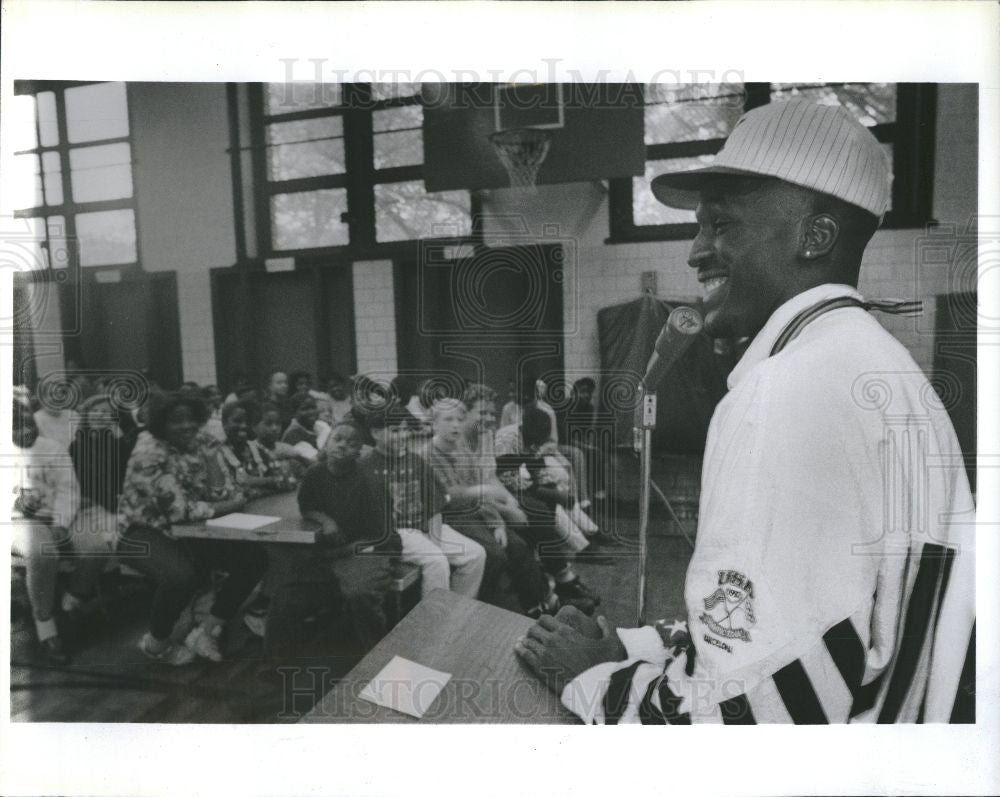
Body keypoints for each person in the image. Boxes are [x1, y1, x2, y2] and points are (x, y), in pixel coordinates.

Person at [515, 99, 975, 724]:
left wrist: (592, 676)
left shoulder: (784, 393)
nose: (694, 251)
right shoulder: (875, 365)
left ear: (815, 237)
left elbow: (747, 716)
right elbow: (827, 625)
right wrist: (636, 646)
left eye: (722, 225)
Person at [117, 392, 268, 666]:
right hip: (141, 531)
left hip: (190, 530)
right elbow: (180, 511)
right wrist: (232, 505)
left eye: (191, 420)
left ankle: (206, 631)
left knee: (254, 557)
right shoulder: (148, 453)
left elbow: (225, 484)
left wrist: (222, 483)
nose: (186, 426)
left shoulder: (200, 441)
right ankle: (156, 644)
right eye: (177, 421)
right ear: (161, 424)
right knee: (180, 577)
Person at [264, 420, 398, 658]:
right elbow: (307, 507)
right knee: (285, 592)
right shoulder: (315, 474)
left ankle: (381, 660)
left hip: (368, 547)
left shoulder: (370, 481)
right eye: (337, 439)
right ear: (326, 443)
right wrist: (326, 520)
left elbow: (384, 535)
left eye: (351, 442)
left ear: (359, 451)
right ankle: (273, 666)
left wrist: (343, 552)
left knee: (359, 594)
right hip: (332, 551)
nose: (343, 445)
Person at [424, 398, 564, 617]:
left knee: (517, 543)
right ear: (434, 423)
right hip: (447, 519)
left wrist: (496, 522)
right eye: (448, 419)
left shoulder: (463, 451)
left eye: (459, 420)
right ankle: (483, 606)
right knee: (495, 554)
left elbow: (479, 492)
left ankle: (536, 603)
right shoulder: (428, 455)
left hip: (473, 513)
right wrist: (484, 492)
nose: (455, 425)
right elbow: (449, 497)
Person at [11, 398, 111, 664]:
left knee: (96, 548)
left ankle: (71, 600)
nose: (25, 432)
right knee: (43, 554)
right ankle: (46, 626)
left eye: (29, 424)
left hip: (60, 515)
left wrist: (60, 521)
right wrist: (16, 503)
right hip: (19, 521)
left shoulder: (52, 449)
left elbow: (69, 491)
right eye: (16, 427)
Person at [359, 404, 486, 599]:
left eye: (405, 430)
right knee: (437, 561)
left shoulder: (416, 461)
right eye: (395, 431)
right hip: (396, 533)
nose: (403, 436)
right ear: (376, 433)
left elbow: (434, 505)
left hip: (425, 527)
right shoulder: (365, 467)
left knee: (475, 554)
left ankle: (459, 615)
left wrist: (435, 539)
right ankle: (434, 625)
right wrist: (434, 548)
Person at [280, 390, 331, 460]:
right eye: (305, 409)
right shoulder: (292, 434)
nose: (311, 412)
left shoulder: (321, 425)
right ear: (294, 413)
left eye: (313, 407)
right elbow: (315, 460)